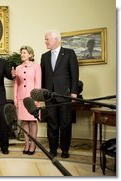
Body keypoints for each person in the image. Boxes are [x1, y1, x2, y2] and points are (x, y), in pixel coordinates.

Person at [40, 30, 79, 158]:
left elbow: (74, 75)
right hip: (49, 96)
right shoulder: (44, 56)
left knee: (65, 124)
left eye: (47, 39)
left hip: (65, 95)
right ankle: (52, 150)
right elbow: (43, 77)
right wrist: (42, 94)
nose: (45, 41)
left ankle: (65, 150)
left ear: (56, 39)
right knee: (52, 124)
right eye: (45, 39)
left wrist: (74, 92)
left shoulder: (69, 53)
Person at [14, 46, 41, 155]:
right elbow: (16, 84)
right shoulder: (18, 68)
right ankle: (26, 144)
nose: (22, 54)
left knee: (33, 122)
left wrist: (37, 98)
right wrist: (15, 98)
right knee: (24, 121)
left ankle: (33, 145)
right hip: (21, 98)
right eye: (21, 53)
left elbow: (38, 83)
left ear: (30, 55)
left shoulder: (36, 66)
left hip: (32, 98)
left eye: (24, 53)